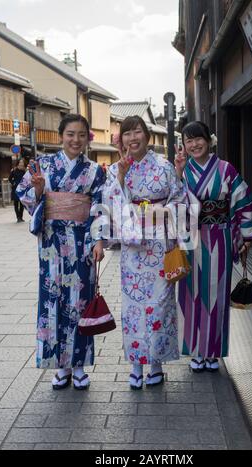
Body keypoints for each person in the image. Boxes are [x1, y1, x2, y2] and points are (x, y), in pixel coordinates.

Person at [16, 114, 105, 390]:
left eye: (81, 134)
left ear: (87, 137)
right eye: (70, 134)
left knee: (80, 301)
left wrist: (98, 240)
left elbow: (100, 206)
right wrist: (39, 191)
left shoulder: (94, 171)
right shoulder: (42, 165)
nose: (75, 140)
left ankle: (78, 365)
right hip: (52, 243)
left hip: (81, 244)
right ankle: (60, 366)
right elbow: (23, 193)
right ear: (60, 136)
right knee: (52, 301)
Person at [103, 116, 186, 389]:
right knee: (133, 307)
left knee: (161, 305)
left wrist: (162, 218)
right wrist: (123, 178)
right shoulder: (116, 169)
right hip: (133, 252)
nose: (132, 138)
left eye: (137, 131)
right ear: (122, 139)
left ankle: (157, 364)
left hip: (160, 245)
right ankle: (136, 364)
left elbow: (179, 198)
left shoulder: (163, 167)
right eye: (127, 133)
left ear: (147, 136)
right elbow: (109, 202)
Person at [175, 121, 252, 372]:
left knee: (215, 293)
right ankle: (195, 351)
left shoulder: (225, 169)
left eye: (198, 138)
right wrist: (179, 176)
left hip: (219, 236)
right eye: (188, 140)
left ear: (208, 140)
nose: (194, 144)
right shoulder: (183, 169)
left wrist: (247, 236)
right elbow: (174, 203)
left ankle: (212, 351)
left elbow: (242, 200)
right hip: (191, 238)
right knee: (191, 294)